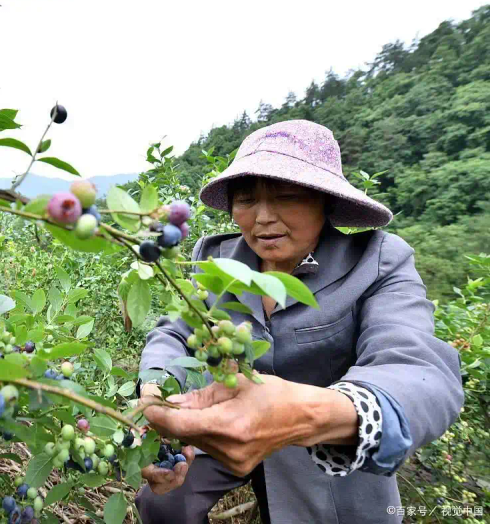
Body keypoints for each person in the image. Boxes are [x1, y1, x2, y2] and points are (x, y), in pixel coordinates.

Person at [135, 120, 464, 524]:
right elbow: (173, 331)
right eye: (246, 200)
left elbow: (417, 369)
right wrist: (156, 388)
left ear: (324, 201)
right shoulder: (214, 259)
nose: (263, 218)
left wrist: (312, 414)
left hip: (324, 450)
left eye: (287, 196)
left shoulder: (377, 261)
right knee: (163, 502)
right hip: (225, 427)